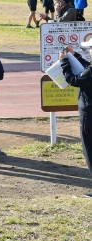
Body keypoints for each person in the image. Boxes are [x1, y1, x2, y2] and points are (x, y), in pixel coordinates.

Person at [59, 43, 92, 198]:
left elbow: (74, 80)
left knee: (89, 151)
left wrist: (64, 61)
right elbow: (86, 70)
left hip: (89, 114)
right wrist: (76, 56)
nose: (89, 51)